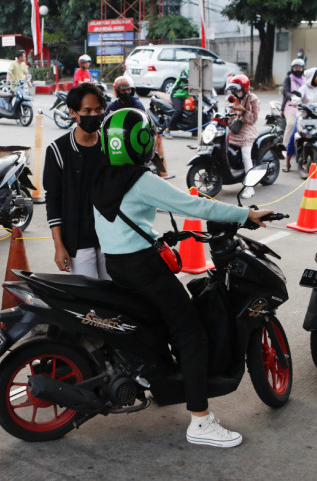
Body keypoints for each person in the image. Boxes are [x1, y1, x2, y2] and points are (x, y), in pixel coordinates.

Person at [90, 108, 272, 448]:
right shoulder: (140, 181)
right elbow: (197, 207)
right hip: (144, 269)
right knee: (190, 332)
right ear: (141, 141)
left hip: (117, 264)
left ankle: (161, 379)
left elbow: (123, 220)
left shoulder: (101, 175)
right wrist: (246, 213)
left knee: (156, 324)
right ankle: (200, 421)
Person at [43, 82, 109, 279]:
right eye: (87, 111)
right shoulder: (58, 150)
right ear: (73, 112)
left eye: (98, 110)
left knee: (115, 298)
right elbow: (53, 199)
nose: (94, 115)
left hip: (111, 239)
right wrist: (59, 245)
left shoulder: (111, 146)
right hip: (79, 241)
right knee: (90, 302)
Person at [285, 67, 317, 171]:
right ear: (312, 76)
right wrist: (294, 102)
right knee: (293, 137)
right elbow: (297, 97)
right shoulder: (303, 88)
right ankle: (287, 162)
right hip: (304, 117)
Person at [226, 74, 260, 199]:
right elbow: (229, 113)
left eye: (238, 90)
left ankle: (249, 187)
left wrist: (243, 111)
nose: (236, 92)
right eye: (234, 90)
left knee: (246, 155)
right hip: (235, 129)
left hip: (247, 130)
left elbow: (254, 119)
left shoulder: (253, 99)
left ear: (245, 88)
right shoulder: (234, 97)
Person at [281, 59, 305, 169]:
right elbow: (285, 91)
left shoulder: (306, 80)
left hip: (302, 108)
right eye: (295, 68)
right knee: (291, 124)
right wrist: (292, 96)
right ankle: (285, 147)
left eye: (300, 68)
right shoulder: (288, 79)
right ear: (292, 69)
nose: (298, 70)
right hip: (289, 107)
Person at [163, 67, 190, 139]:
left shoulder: (198, 75)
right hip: (177, 95)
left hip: (187, 97)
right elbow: (187, 79)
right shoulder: (185, 71)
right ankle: (167, 129)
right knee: (178, 110)